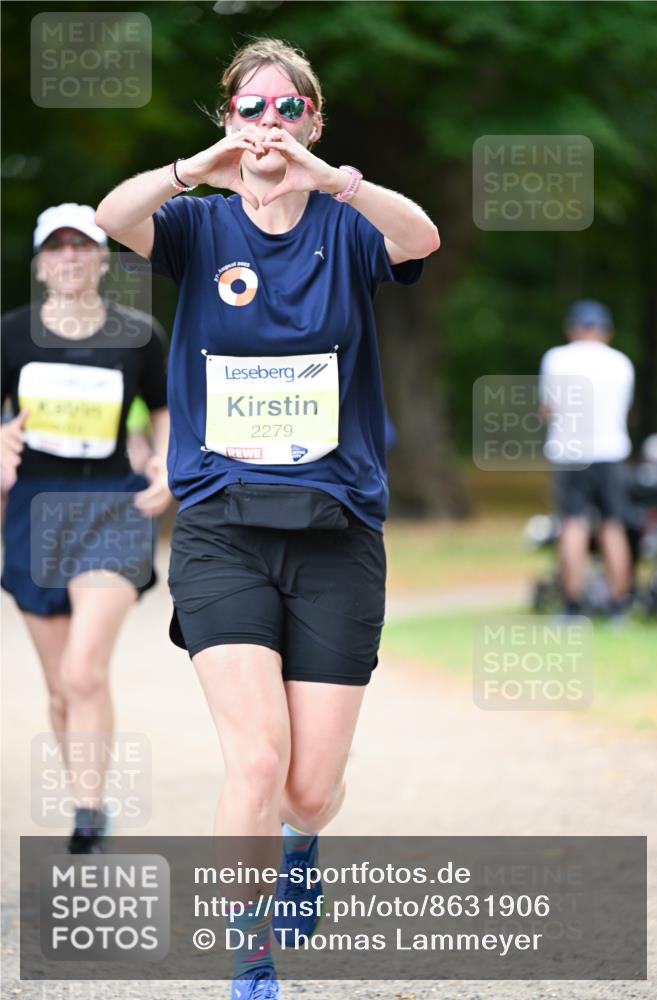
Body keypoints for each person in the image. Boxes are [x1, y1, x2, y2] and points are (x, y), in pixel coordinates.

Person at [95, 37, 439, 999]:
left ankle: (302, 840)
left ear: (314, 122)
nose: (270, 126)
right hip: (221, 527)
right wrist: (188, 172)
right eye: (252, 109)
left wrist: (337, 181)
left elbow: (420, 239)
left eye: (290, 109)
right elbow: (113, 218)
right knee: (254, 757)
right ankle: (251, 960)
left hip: (336, 529)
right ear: (229, 120)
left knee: (307, 788)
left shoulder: (348, 224)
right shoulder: (200, 229)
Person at [1, 203, 172, 852]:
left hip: (112, 508)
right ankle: (83, 796)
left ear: (102, 258)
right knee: (58, 685)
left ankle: (91, 812)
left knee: (82, 671)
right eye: (57, 248)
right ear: (41, 263)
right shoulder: (11, 335)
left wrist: (164, 462)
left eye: (83, 247)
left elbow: (161, 410)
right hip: (36, 511)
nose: (70, 258)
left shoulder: (139, 334)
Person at [539, 299, 634, 618]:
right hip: (611, 451)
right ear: (606, 331)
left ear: (572, 328)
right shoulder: (621, 362)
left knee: (573, 525)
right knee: (613, 524)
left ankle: (573, 605)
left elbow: (547, 409)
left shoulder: (556, 359)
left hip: (569, 452)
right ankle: (619, 603)